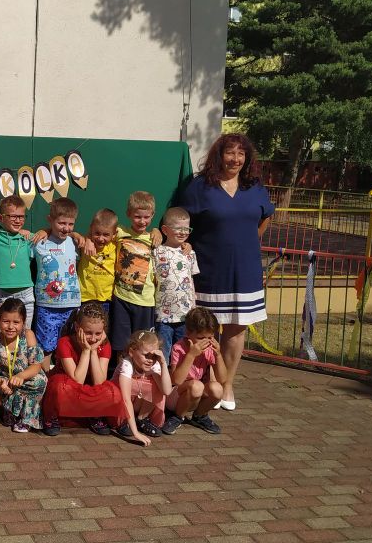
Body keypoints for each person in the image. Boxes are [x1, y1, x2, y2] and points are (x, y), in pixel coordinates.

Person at [178, 133, 274, 411]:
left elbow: (266, 215)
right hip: (209, 269)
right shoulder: (199, 186)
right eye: (230, 153)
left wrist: (248, 240)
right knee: (207, 329)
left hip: (245, 269)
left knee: (236, 329)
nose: (235, 159)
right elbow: (183, 220)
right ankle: (211, 384)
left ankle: (227, 384)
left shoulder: (255, 187)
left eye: (241, 154)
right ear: (219, 156)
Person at [40, 303, 124, 436]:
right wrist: (85, 351)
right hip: (68, 388)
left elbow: (99, 381)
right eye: (88, 333)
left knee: (112, 391)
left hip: (89, 389)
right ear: (77, 327)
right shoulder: (65, 342)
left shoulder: (104, 345)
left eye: (98, 333)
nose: (93, 338)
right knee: (60, 387)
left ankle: (94, 415)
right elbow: (77, 380)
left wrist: (94, 351)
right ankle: (52, 417)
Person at [108, 191, 163, 366]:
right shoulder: (120, 232)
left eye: (146, 217)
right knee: (121, 344)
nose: (142, 221)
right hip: (122, 299)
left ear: (153, 215)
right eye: (137, 216)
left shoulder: (155, 238)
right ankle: (121, 374)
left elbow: (178, 243)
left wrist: (157, 231)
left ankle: (140, 376)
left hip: (145, 302)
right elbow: (98, 230)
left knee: (144, 345)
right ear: (129, 214)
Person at [161, 307, 226, 435]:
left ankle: (200, 416)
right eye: (201, 338)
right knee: (196, 386)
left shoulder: (209, 349)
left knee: (217, 389)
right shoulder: (179, 347)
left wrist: (218, 355)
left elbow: (222, 379)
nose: (206, 342)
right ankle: (177, 416)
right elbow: (176, 380)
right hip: (176, 397)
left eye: (210, 337)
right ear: (188, 332)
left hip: (196, 395)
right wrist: (191, 355)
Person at [0, 298, 48, 432]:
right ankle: (8, 412)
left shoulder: (28, 335)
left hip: (25, 379)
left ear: (23, 323)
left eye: (16, 322)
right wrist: (0, 383)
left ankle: (26, 418)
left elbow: (36, 365)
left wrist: (21, 376)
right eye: (6, 321)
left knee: (40, 380)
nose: (10, 327)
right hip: (5, 381)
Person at [32, 198, 82, 358]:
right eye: (61, 223)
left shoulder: (76, 242)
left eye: (71, 224)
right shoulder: (39, 242)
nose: (66, 228)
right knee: (46, 347)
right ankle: (46, 374)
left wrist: (80, 237)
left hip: (71, 304)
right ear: (50, 220)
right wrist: (44, 231)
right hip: (47, 304)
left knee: (69, 347)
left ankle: (66, 373)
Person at [0, 196, 36, 329]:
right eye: (13, 216)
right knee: (2, 336)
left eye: (21, 217)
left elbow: (49, 234)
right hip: (2, 294)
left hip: (26, 294)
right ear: (1, 218)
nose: (18, 220)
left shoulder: (27, 238)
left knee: (24, 334)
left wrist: (44, 231)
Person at [153, 207, 200, 364]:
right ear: (165, 230)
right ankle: (163, 377)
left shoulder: (190, 253)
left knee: (182, 354)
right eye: (178, 228)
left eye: (186, 229)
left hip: (185, 315)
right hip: (163, 315)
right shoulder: (157, 252)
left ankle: (180, 378)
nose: (183, 232)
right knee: (163, 353)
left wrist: (194, 305)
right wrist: (154, 230)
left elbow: (191, 280)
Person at [113, 330, 172, 445]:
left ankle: (141, 419)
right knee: (132, 385)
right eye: (146, 355)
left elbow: (167, 391)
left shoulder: (154, 364)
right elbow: (125, 400)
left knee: (156, 386)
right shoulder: (127, 364)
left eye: (154, 356)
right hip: (120, 403)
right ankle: (125, 422)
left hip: (136, 400)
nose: (150, 360)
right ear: (131, 352)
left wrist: (163, 363)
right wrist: (136, 433)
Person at [78, 209, 119, 317]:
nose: (101, 238)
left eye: (106, 234)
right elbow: (72, 234)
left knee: (103, 326)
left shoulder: (116, 246)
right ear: (91, 229)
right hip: (85, 298)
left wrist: (156, 231)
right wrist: (87, 239)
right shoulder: (84, 244)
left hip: (106, 299)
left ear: (114, 234)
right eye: (97, 233)